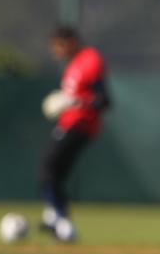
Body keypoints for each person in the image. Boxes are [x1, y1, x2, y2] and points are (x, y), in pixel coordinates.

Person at [39, 25, 111, 242]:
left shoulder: (90, 60)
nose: (55, 51)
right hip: (69, 124)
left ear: (70, 42)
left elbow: (104, 100)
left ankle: (59, 219)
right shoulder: (73, 65)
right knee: (53, 172)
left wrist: (77, 101)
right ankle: (54, 217)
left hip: (80, 125)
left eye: (57, 46)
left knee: (48, 168)